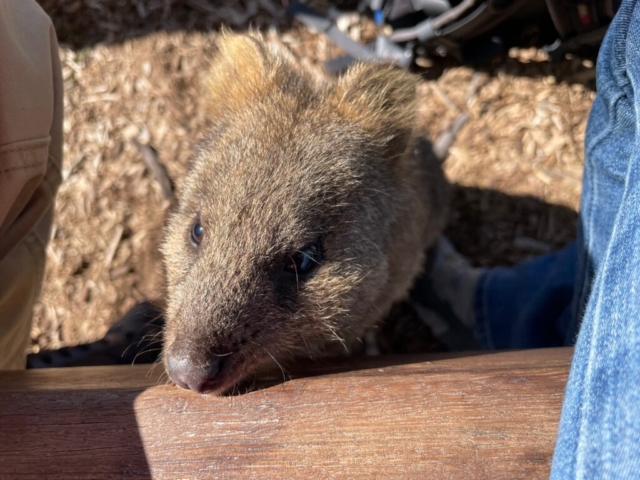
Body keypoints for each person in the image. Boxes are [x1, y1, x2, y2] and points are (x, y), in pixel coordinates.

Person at [0, 0, 638, 476]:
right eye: (195, 233)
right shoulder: (234, 154)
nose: (186, 362)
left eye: (299, 263)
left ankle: (471, 307)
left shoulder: (377, 196)